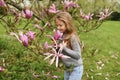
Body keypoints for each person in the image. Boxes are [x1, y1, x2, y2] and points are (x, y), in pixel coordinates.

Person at [55, 11, 83, 80]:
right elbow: (60, 51)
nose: (58, 28)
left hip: (76, 68)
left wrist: (64, 48)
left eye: (60, 25)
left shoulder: (73, 37)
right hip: (67, 67)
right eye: (57, 25)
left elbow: (77, 55)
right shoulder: (61, 35)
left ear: (67, 24)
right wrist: (56, 47)